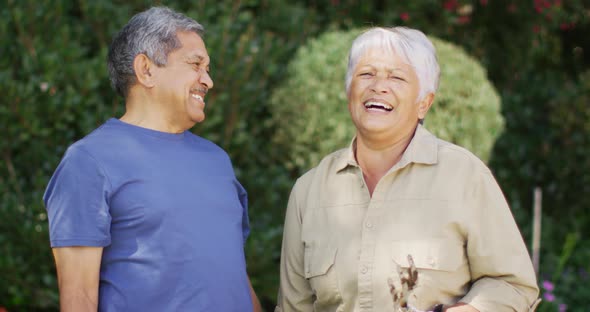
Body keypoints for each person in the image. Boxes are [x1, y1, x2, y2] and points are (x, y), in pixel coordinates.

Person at [276, 27, 540, 312]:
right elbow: (292, 307)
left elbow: (514, 286)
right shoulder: (309, 190)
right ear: (348, 90)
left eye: (396, 77)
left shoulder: (465, 176)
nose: (378, 86)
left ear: (424, 103)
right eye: (366, 74)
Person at [43, 7, 262, 312]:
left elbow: (233, 275)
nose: (208, 80)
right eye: (195, 64)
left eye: (208, 68)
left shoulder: (217, 160)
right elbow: (78, 299)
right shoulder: (89, 162)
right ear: (146, 69)